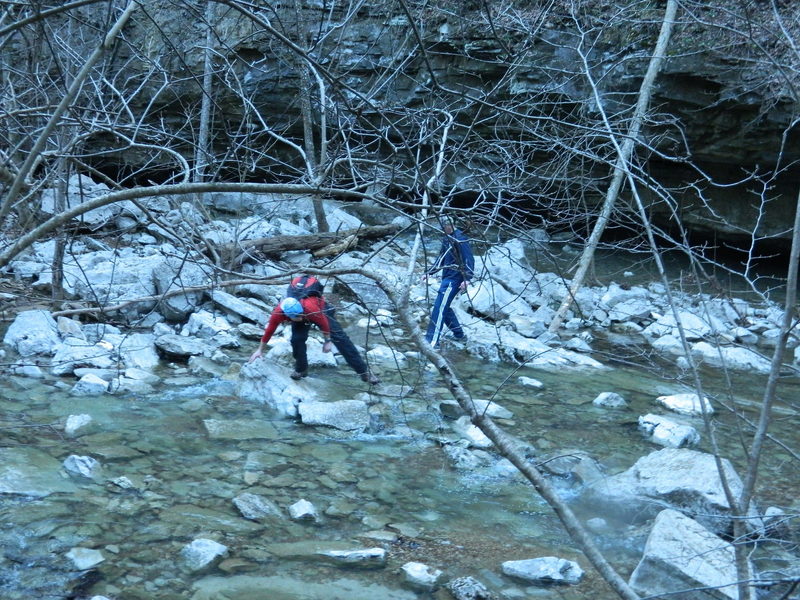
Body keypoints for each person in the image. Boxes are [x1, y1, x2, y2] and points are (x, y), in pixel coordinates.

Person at [249, 276, 380, 384]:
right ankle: (301, 369)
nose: (300, 318)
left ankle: (364, 372)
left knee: (340, 338)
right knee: (297, 340)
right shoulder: (279, 312)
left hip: (321, 310)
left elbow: (324, 324)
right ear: (287, 315)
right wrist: (260, 350)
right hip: (307, 312)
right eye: (297, 317)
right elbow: (269, 331)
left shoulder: (311, 309)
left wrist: (327, 340)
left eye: (300, 316)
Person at [422, 216, 475, 347]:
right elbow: (441, 257)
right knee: (442, 306)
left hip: (455, 279)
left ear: (450, 225)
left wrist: (467, 278)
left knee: (439, 307)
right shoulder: (447, 238)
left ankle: (432, 341)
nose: (442, 230)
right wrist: (430, 272)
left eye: (443, 227)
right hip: (447, 277)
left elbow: (469, 259)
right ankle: (459, 335)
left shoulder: (460, 238)